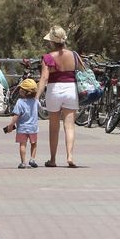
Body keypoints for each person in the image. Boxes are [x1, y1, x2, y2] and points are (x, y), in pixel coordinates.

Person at [36, 25, 79, 168]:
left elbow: (44, 78)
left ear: (52, 42)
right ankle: (70, 156)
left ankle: (53, 159)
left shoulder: (48, 57)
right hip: (71, 89)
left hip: (54, 90)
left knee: (54, 127)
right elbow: (83, 71)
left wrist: (36, 97)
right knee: (70, 126)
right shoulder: (74, 55)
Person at [4, 79, 40, 169]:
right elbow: (40, 109)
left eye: (21, 89)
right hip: (33, 128)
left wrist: (11, 125)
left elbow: (16, 115)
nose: (19, 90)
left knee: (22, 144)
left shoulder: (20, 102)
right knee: (34, 144)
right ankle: (32, 159)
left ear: (24, 92)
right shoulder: (35, 101)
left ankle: (23, 162)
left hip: (22, 128)